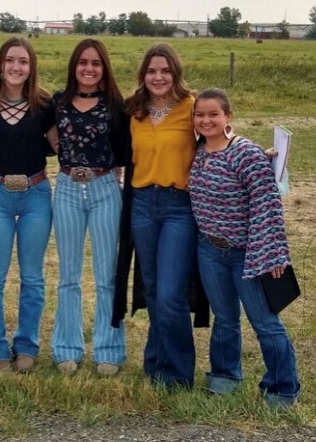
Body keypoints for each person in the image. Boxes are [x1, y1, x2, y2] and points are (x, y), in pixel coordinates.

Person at [189, 87, 300, 408]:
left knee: (264, 322)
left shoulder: (246, 153)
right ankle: (225, 375)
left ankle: (283, 388)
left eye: (213, 114)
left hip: (246, 254)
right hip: (210, 249)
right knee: (224, 318)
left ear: (228, 117)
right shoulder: (198, 151)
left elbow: (268, 205)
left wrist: (273, 253)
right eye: (200, 114)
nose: (206, 120)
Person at [114, 43, 200, 389]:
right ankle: (155, 364)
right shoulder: (133, 109)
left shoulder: (191, 108)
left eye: (165, 70)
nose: (158, 77)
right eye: (152, 71)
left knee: (170, 293)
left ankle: (178, 374)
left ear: (175, 73)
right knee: (150, 288)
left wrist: (254, 152)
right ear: (143, 75)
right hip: (142, 205)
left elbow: (217, 135)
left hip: (179, 206)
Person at [0, 37, 57, 374]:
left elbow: (58, 145)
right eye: (10, 60)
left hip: (36, 194)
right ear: (0, 64)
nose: (16, 67)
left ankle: (26, 347)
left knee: (33, 278)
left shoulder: (44, 104)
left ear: (31, 67)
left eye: (23, 61)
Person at [51, 39, 128, 376]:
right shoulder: (57, 102)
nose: (88, 68)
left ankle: (108, 348)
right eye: (83, 62)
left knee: (106, 276)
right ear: (74, 66)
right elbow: (46, 138)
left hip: (105, 189)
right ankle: (66, 347)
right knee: (68, 275)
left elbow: (128, 148)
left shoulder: (116, 106)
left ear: (104, 68)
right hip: (67, 188)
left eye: (95, 63)